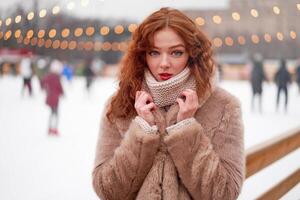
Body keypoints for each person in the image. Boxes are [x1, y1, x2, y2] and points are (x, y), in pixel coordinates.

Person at [92, 7, 244, 200]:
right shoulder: (120, 105)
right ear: (142, 55)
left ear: (192, 54)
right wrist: (141, 132)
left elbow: (224, 193)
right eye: (154, 53)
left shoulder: (224, 106)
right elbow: (107, 191)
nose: (164, 63)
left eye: (176, 53)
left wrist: (186, 129)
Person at [41, 60, 64, 135]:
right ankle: (54, 128)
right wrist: (62, 93)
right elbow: (59, 87)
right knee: (56, 114)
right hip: (55, 98)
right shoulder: (56, 77)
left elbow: (42, 81)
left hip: (49, 97)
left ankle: (50, 128)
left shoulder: (48, 76)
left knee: (52, 113)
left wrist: (44, 88)